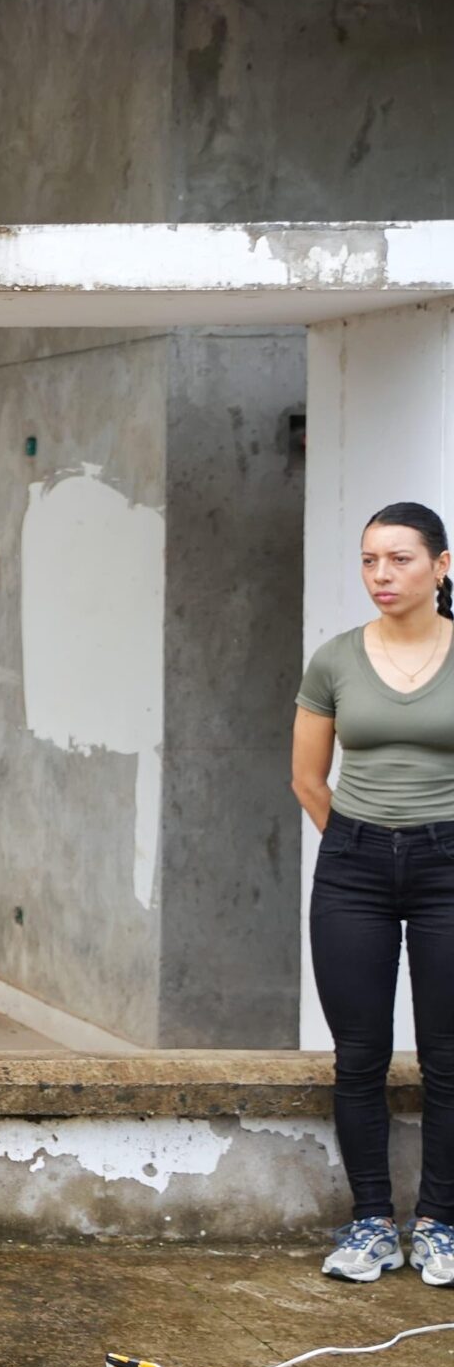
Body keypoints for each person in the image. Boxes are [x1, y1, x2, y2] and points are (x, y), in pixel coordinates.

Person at [294, 500, 454, 1287]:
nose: (381, 575)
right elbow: (306, 777)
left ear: (441, 566)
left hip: (449, 867)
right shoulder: (334, 659)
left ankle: (440, 1224)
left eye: (399, 559)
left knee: (447, 1055)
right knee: (359, 1056)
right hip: (353, 866)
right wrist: (362, 845)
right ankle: (370, 1224)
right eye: (368, 560)